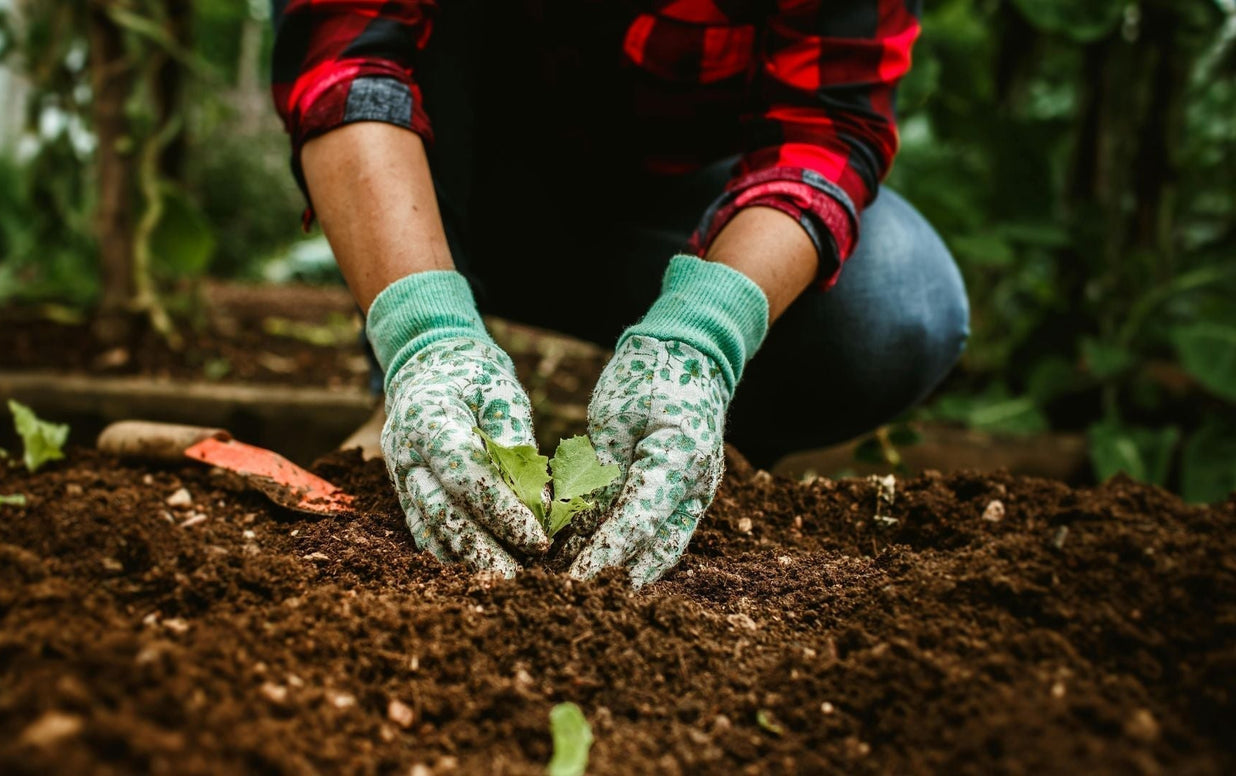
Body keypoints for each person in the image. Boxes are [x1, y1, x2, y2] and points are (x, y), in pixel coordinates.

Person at [269, 0, 969, 586]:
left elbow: (827, 129)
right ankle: (412, 390)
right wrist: (424, 336)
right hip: (444, 197)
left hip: (677, 222)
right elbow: (345, 54)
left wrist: (702, 334)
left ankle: (688, 448)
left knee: (897, 301)